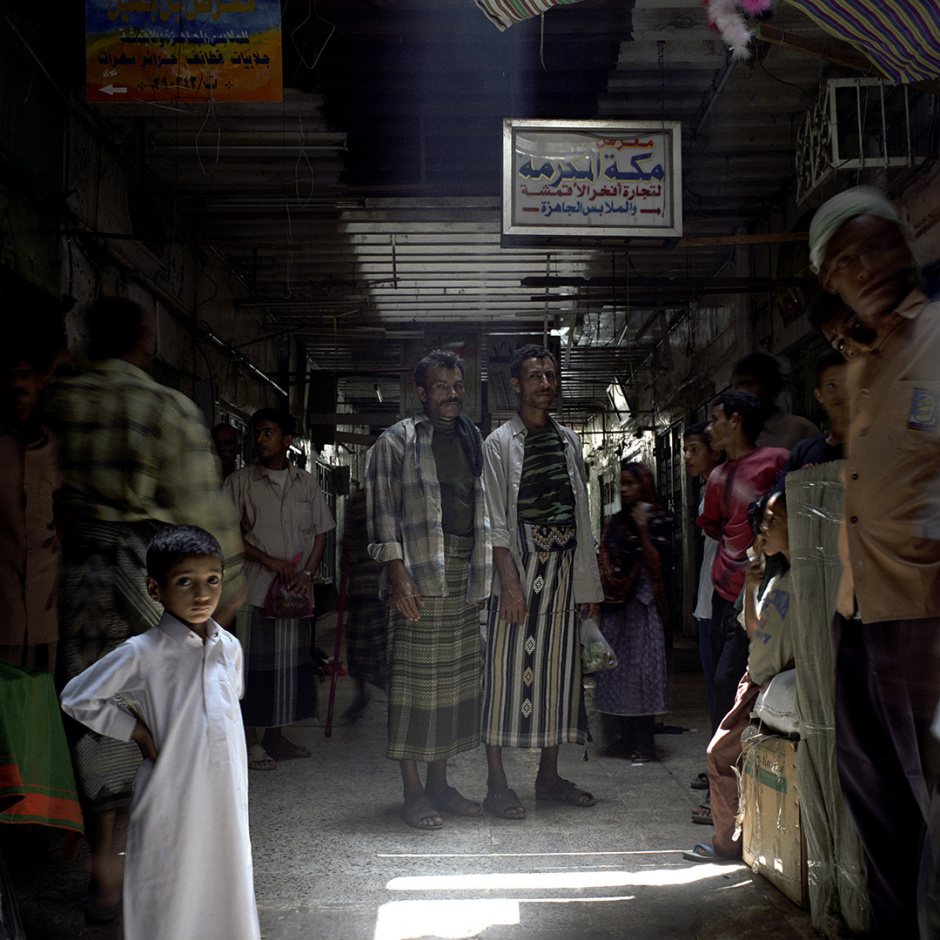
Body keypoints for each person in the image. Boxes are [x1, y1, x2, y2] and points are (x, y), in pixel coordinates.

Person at [43, 295, 245, 919]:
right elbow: (201, 506)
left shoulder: (62, 399)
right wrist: (222, 588)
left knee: (90, 712)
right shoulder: (164, 406)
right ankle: (140, 863)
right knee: (153, 718)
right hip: (143, 577)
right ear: (145, 340)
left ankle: (103, 868)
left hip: (76, 575)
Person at [808, 185, 940, 937]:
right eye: (849, 259)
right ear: (831, 280)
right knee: (882, 828)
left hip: (925, 623)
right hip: (857, 624)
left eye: (883, 244)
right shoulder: (861, 366)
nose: (873, 266)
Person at [59, 525, 260, 940]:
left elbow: (228, 701)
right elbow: (77, 696)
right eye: (185, 582)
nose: (202, 595)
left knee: (226, 880)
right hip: (171, 795)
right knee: (170, 888)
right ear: (154, 588)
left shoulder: (229, 648)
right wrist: (135, 731)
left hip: (224, 795)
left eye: (212, 581)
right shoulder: (143, 651)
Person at [366, 349, 490, 830]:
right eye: (441, 386)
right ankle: (413, 791)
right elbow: (382, 515)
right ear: (421, 393)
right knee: (415, 687)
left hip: (463, 572)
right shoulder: (396, 442)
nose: (452, 394)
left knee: (456, 686)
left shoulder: (472, 437)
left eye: (457, 385)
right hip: (417, 572)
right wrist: (396, 571)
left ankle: (441, 783)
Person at [481, 344, 603, 819]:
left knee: (558, 676)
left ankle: (548, 777)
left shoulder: (570, 440)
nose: (545, 384)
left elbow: (583, 517)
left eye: (551, 375)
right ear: (516, 384)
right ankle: (497, 784)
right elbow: (493, 518)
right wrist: (509, 582)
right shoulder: (499, 443)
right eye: (535, 376)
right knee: (504, 676)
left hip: (565, 570)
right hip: (521, 568)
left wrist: (587, 586)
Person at [684, 491, 795, 862]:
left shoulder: (801, 582)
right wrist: (750, 585)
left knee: (720, 754)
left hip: (765, 683)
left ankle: (726, 843)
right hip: (756, 681)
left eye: (772, 521)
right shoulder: (778, 579)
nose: (763, 529)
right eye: (763, 521)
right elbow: (755, 630)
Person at [225, 408, 335, 771]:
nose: (259, 439)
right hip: (255, 592)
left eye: (268, 433)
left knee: (288, 669)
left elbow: (321, 532)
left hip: (295, 596)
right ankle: (253, 741)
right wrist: (269, 562)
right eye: (257, 433)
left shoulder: (305, 483)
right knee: (254, 669)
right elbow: (227, 534)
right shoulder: (241, 482)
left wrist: (307, 573)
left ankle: (277, 737)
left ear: (287, 441)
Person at [697, 390, 788, 733]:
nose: (710, 428)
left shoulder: (776, 460)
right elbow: (715, 527)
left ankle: (739, 765)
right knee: (723, 682)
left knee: (734, 680)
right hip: (725, 593)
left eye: (716, 419)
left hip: (762, 590)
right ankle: (723, 767)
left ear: (734, 421)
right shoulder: (717, 476)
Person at [595, 461, 672, 763]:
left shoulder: (659, 519)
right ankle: (624, 740)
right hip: (616, 610)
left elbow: (659, 565)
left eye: (631, 483)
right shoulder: (615, 522)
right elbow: (606, 563)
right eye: (622, 484)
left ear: (645, 485)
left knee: (642, 676)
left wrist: (642, 528)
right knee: (616, 675)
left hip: (642, 608)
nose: (625, 490)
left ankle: (645, 745)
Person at [0, 337, 63, 675]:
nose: (16, 384)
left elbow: (69, 506)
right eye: (10, 375)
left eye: (24, 374)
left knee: (38, 709)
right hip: (3, 608)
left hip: (44, 608)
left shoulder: (55, 447)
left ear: (40, 381)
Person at [682, 422, 723, 733]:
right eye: (684, 450)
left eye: (694, 450)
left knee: (721, 688)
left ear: (714, 451)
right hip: (709, 599)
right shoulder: (708, 485)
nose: (686, 457)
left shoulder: (721, 484)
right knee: (715, 687)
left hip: (720, 600)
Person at [338, 486, 387, 725]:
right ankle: (361, 695)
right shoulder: (357, 499)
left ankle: (397, 700)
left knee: (385, 650)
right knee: (357, 647)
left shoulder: (398, 492)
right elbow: (348, 540)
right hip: (361, 583)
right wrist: (346, 559)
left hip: (388, 584)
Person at [773, 348, 848, 492]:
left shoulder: (878, 446)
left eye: (846, 383)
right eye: (831, 386)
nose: (840, 393)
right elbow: (779, 500)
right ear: (819, 395)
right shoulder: (803, 451)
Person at [732, 352, 819, 449]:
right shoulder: (735, 434)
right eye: (739, 385)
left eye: (748, 384)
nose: (741, 391)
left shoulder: (800, 430)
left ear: (769, 387)